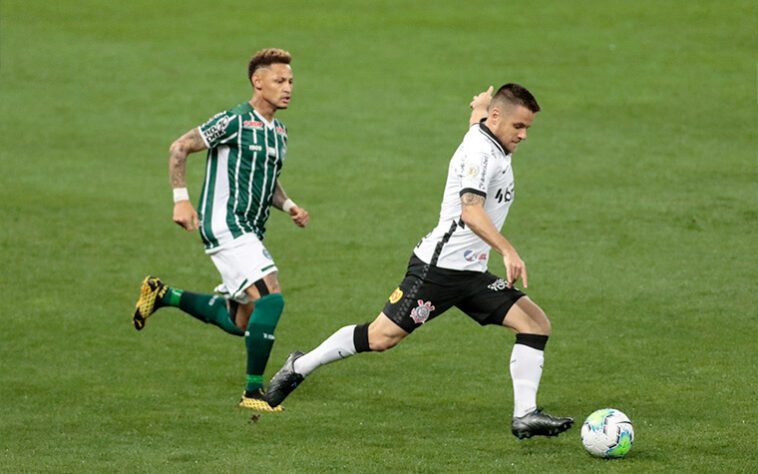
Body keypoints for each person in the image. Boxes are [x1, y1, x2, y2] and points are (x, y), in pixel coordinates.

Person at [265, 84, 574, 438]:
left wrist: (478, 106)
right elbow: (471, 212)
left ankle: (525, 415)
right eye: (519, 126)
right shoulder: (480, 153)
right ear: (498, 117)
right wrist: (508, 250)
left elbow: (478, 123)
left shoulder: (489, 135)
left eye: (527, 129)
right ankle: (299, 365)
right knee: (381, 338)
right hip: (438, 270)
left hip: (471, 273)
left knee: (535, 323)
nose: (523, 135)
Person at [132, 48, 309, 413]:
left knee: (241, 320)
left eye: (290, 81)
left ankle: (163, 295)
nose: (288, 87)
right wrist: (181, 200)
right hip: (226, 225)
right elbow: (180, 146)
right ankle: (254, 393)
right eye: (279, 81)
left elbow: (267, 181)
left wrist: (289, 206)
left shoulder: (280, 132)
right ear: (257, 82)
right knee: (271, 297)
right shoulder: (234, 121)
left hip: (250, 230)